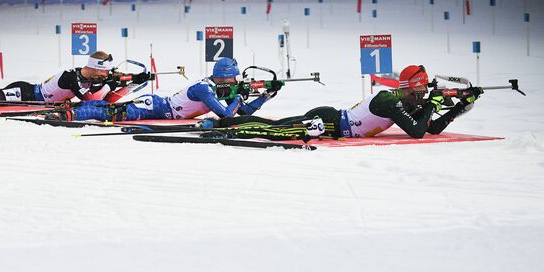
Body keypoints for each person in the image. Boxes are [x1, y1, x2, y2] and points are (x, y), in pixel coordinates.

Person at [201, 65, 481, 140]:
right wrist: (432, 103)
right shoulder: (390, 101)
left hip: (333, 122)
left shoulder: (404, 102)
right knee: (273, 130)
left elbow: (429, 128)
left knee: (275, 126)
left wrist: (457, 107)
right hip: (329, 121)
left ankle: (223, 122)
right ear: (413, 89)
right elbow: (418, 131)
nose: (425, 95)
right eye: (422, 90)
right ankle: (223, 127)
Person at [46, 57, 280, 122]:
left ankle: (74, 107)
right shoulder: (204, 89)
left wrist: (266, 96)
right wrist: (239, 96)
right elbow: (227, 114)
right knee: (112, 113)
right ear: (225, 77)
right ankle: (68, 114)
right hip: (155, 107)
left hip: (161, 108)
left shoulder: (218, 88)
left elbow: (243, 112)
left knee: (109, 107)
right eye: (234, 80)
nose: (235, 83)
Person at [0, 51, 149, 103]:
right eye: (106, 72)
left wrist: (133, 82)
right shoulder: (71, 78)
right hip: (25, 92)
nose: (108, 75)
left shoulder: (92, 78)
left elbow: (108, 99)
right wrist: (110, 84)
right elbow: (91, 100)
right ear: (96, 69)